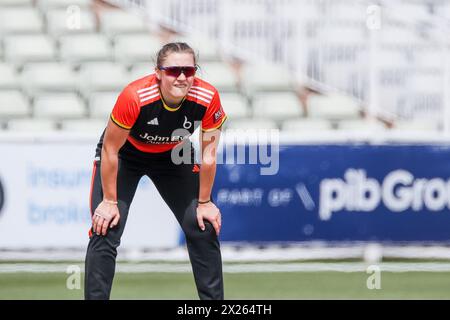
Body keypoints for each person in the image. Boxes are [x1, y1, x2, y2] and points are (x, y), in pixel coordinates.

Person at [84, 42, 227, 300]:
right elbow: (110, 149)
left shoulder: (207, 98)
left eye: (189, 70)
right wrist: (108, 201)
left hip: (173, 154)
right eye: (173, 70)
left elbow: (209, 153)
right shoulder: (135, 96)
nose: (182, 77)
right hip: (126, 155)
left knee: (202, 225)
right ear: (158, 72)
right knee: (106, 227)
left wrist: (205, 202)